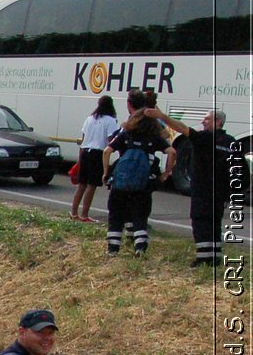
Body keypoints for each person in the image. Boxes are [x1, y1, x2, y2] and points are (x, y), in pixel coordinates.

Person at [150, 107, 240, 266]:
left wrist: (162, 117)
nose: (203, 122)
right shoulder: (231, 142)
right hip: (220, 191)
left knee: (200, 222)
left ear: (217, 122)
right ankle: (215, 256)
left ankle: (203, 257)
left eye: (206, 119)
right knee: (214, 223)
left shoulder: (205, 138)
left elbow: (182, 128)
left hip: (203, 189)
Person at [102, 88, 174, 257]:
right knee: (140, 214)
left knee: (116, 215)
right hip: (144, 182)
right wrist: (166, 173)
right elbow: (172, 151)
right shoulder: (154, 135)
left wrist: (106, 172)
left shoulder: (126, 133)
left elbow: (107, 151)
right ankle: (140, 247)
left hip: (120, 181)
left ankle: (113, 250)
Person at [71, 96, 120, 224]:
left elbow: (83, 139)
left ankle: (74, 212)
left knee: (82, 184)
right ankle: (85, 214)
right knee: (92, 185)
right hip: (97, 154)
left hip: (85, 151)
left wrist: (79, 157)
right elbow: (111, 141)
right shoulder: (110, 121)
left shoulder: (89, 119)